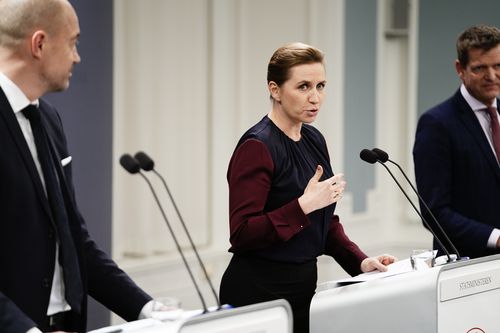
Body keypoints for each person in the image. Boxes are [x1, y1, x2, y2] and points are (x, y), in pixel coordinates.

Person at [0, 0, 157, 332]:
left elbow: (73, 239)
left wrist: (148, 310)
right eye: (72, 42)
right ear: (39, 44)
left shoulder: (48, 119)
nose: (77, 56)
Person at [219, 42, 396, 333]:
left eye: (321, 86)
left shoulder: (314, 139)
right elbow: (242, 234)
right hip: (257, 293)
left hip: (303, 288)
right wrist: (303, 206)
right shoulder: (257, 146)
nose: (315, 98)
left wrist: (361, 262)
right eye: (303, 87)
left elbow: (324, 223)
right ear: (275, 90)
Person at [413, 24, 500, 259]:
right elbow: (434, 213)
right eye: (480, 68)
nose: (491, 76)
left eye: (498, 66)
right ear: (460, 69)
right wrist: (495, 237)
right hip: (467, 267)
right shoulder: (436, 124)